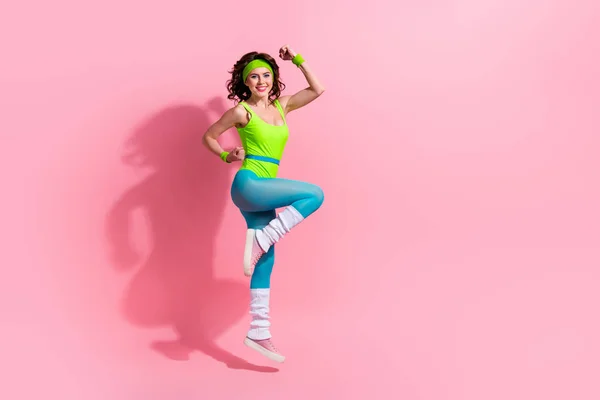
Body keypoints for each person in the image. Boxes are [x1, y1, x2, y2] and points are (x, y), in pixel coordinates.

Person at [202, 45, 325, 363]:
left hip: (263, 190)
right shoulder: (242, 111)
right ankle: (266, 235)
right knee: (314, 194)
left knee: (264, 261)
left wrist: (297, 59)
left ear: (273, 79)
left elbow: (317, 89)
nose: (261, 80)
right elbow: (210, 135)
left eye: (266, 75)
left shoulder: (282, 106)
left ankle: (259, 329)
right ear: (245, 82)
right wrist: (227, 155)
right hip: (249, 185)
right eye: (254, 76)